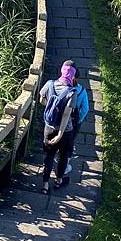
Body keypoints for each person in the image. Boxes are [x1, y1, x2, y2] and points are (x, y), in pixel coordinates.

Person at [39, 61, 78, 193]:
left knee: (48, 156)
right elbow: (67, 114)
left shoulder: (49, 84)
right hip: (66, 132)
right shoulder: (72, 92)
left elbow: (42, 100)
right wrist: (60, 134)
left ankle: (45, 185)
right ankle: (58, 181)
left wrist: (52, 107)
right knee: (63, 156)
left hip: (49, 127)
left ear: (62, 71)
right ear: (73, 76)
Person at [64, 66, 89, 175]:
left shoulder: (61, 86)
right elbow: (85, 109)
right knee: (69, 143)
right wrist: (79, 120)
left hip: (59, 120)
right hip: (73, 121)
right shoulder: (82, 91)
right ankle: (65, 166)